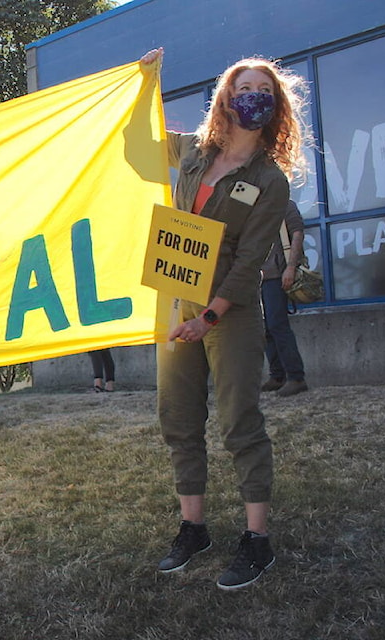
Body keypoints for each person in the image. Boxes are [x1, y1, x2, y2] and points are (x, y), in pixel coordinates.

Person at [142, 49, 308, 590]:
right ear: (226, 99)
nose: (252, 96)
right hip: (176, 300)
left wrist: (209, 317)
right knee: (178, 420)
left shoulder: (270, 181)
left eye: (263, 89)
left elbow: (251, 259)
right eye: (243, 87)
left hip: (228, 314)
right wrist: (142, 82)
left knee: (240, 423)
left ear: (275, 104)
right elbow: (132, 146)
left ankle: (257, 542)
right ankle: (194, 528)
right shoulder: (193, 152)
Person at [260, 199, 309, 397]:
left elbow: (297, 233)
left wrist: (290, 267)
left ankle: (296, 377)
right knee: (266, 328)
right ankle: (277, 376)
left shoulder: (284, 204)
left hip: (277, 274)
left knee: (277, 325)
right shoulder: (253, 206)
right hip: (258, 276)